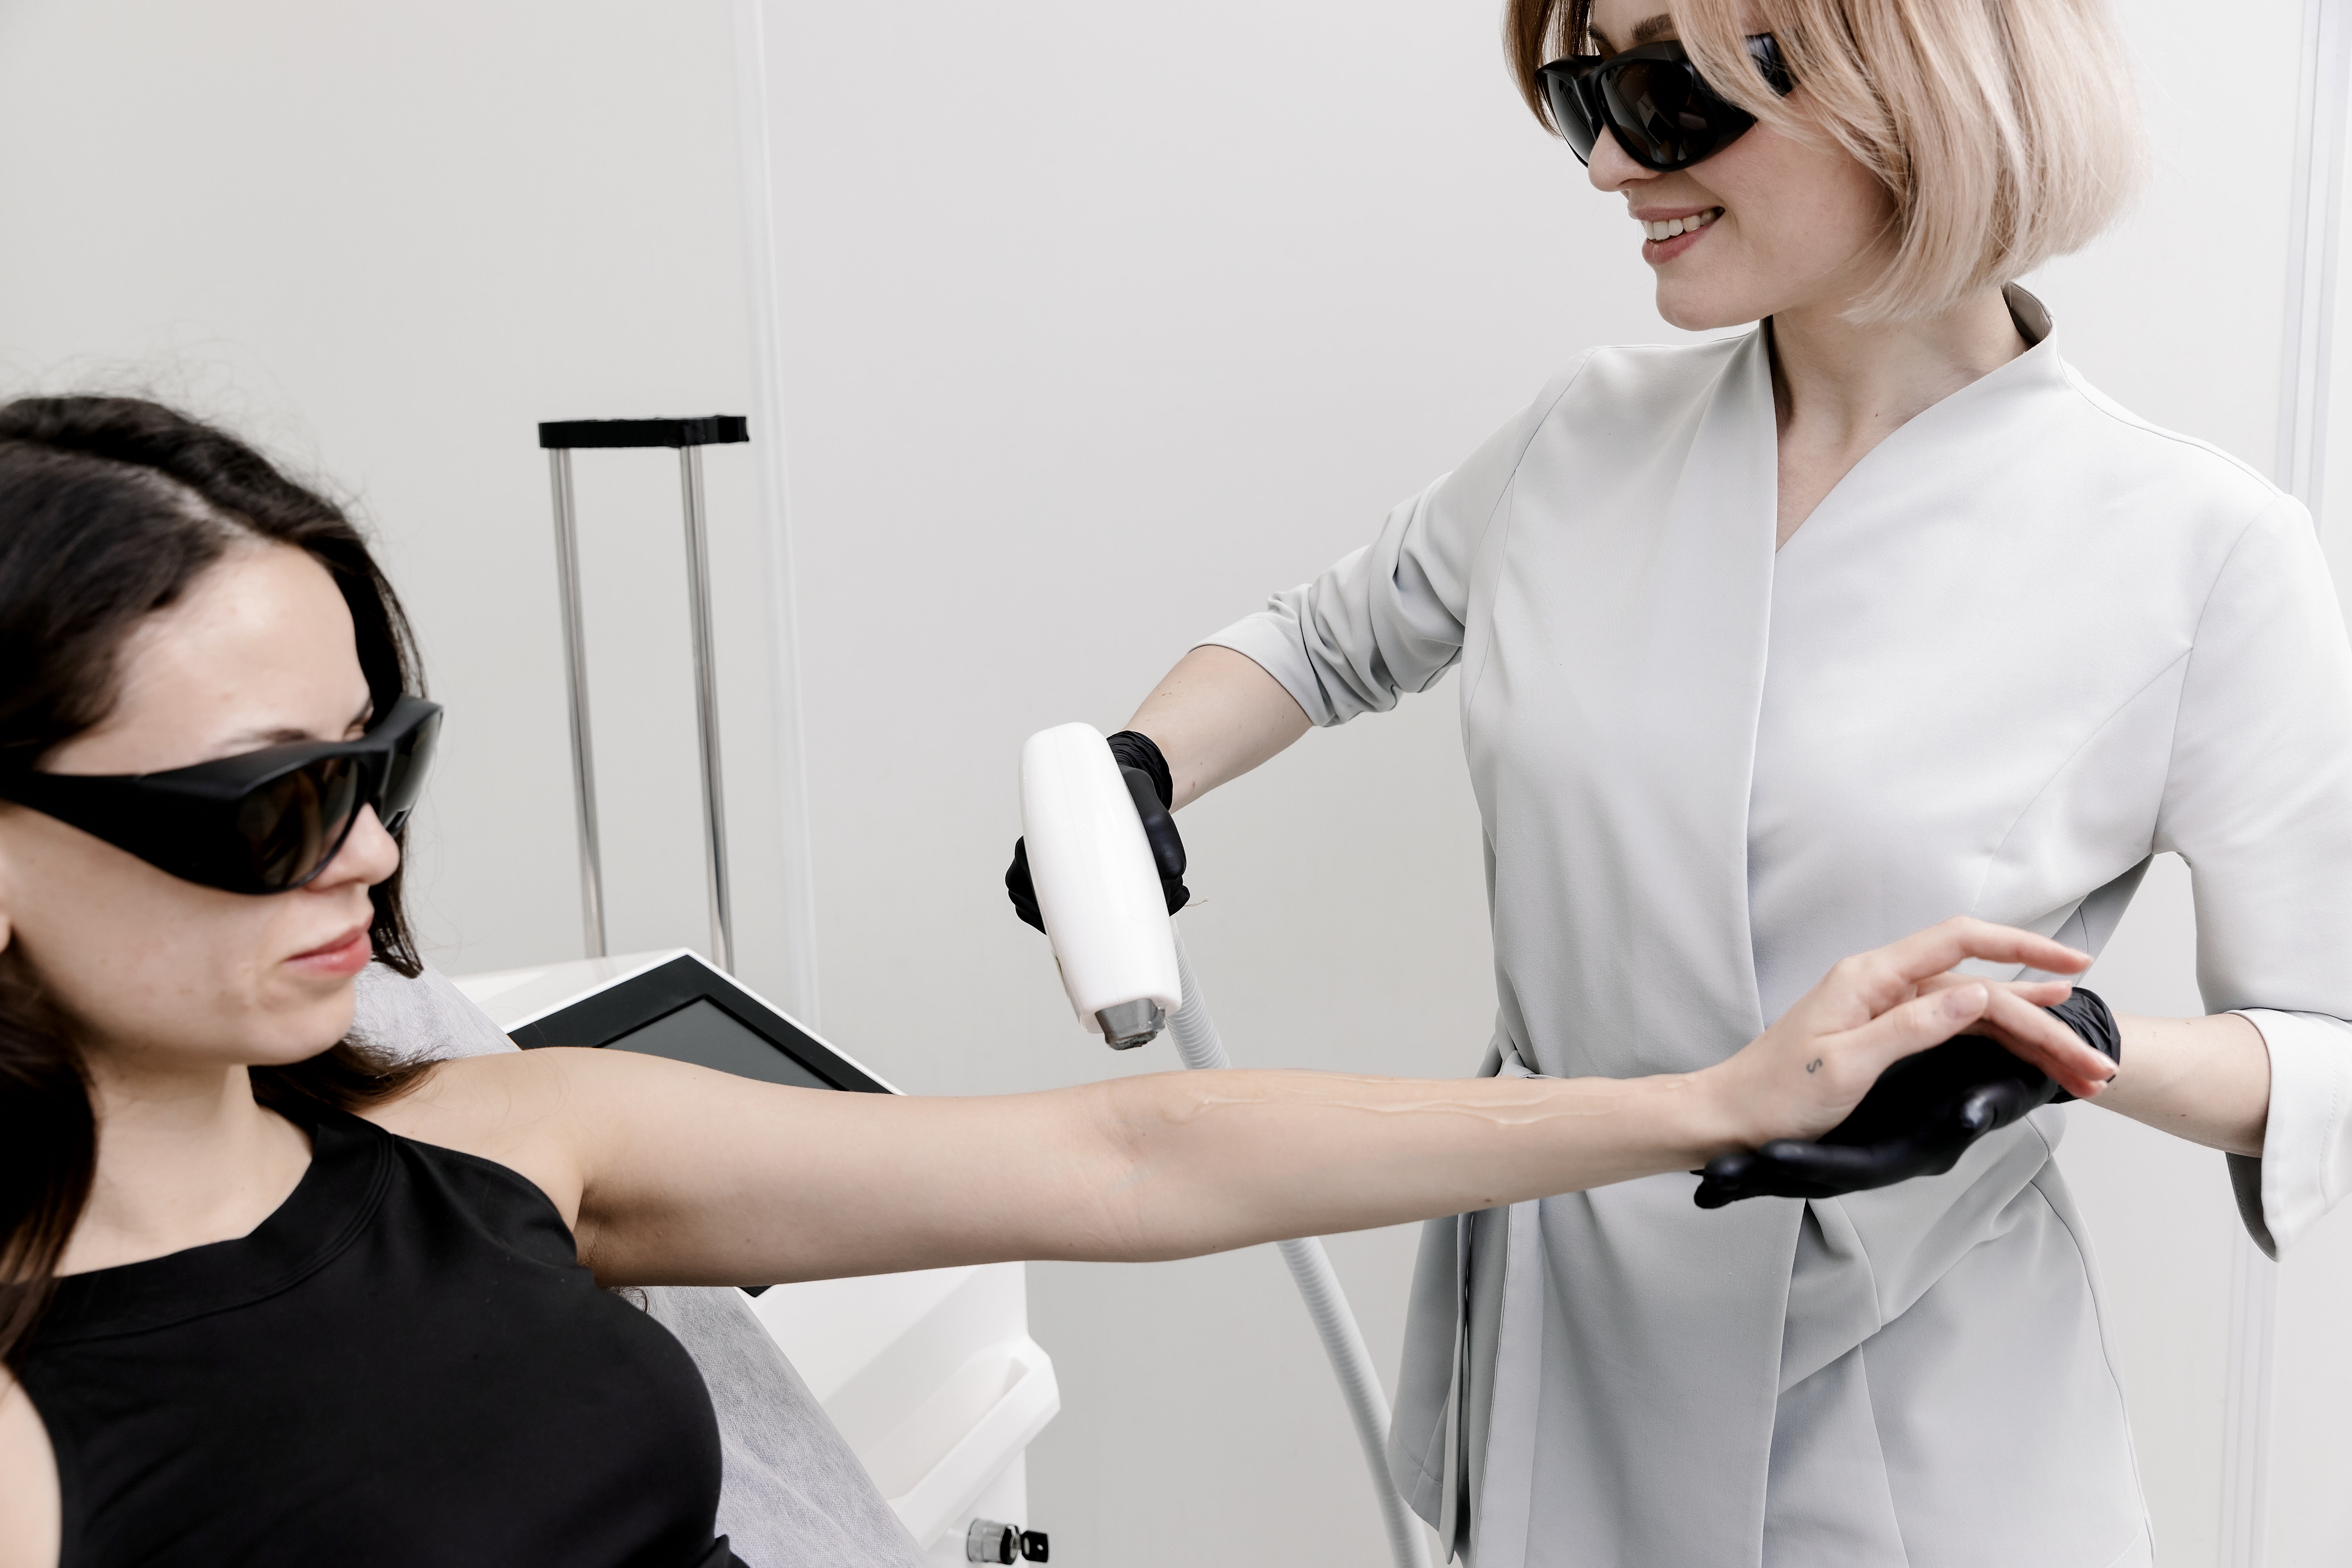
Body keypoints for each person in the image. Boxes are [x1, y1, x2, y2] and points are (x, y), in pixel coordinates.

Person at [0, 397, 2106, 1568]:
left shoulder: (472, 1129)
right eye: (272, 803)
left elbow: (1134, 1152)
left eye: (382, 767)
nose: (370, 855)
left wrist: (1714, 1102)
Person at [1007, 0, 2352, 1563]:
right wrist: (1144, 764)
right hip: (1559, 1339)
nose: (1607, 166)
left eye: (1664, 91)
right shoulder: (1588, 434)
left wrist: (2076, 1048)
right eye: (1584, 92)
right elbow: (1323, 638)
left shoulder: (2199, 548)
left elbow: (2322, 1048)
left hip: (1909, 1420)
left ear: (1907, 83)